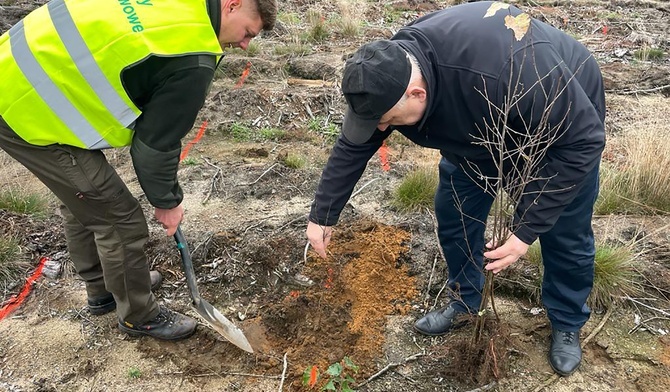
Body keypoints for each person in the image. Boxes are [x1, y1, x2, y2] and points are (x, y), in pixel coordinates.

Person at [306, 1, 605, 377]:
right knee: (455, 211)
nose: (381, 129)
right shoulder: (386, 73)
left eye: (386, 122)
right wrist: (323, 213)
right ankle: (466, 302)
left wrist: (525, 230)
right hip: (474, 121)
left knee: (565, 228)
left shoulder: (517, 74)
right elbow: (355, 144)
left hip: (559, 120)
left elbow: (584, 141)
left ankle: (566, 320)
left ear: (417, 94)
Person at [0, 0, 276, 340]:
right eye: (249, 33)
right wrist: (167, 202)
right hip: (25, 103)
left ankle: (105, 290)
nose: (246, 45)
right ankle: (138, 315)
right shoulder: (192, 57)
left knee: (86, 198)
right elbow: (154, 146)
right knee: (119, 218)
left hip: (23, 71)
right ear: (232, 6)